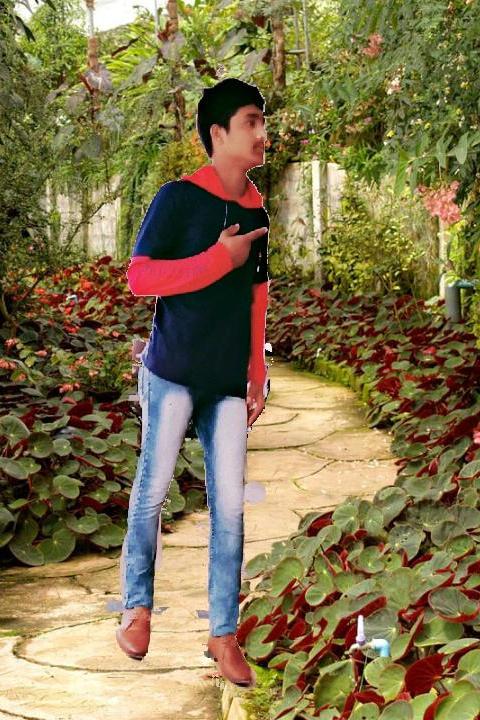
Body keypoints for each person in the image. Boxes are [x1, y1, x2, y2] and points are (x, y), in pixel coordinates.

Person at [116, 78, 270, 688]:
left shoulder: (257, 211)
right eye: (251, 121)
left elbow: (257, 294)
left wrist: (257, 370)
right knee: (152, 490)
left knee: (230, 506)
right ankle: (136, 609)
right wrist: (217, 260)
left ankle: (223, 634)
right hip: (173, 372)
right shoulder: (177, 199)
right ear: (219, 133)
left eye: (263, 121)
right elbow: (140, 278)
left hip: (227, 380)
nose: (262, 133)